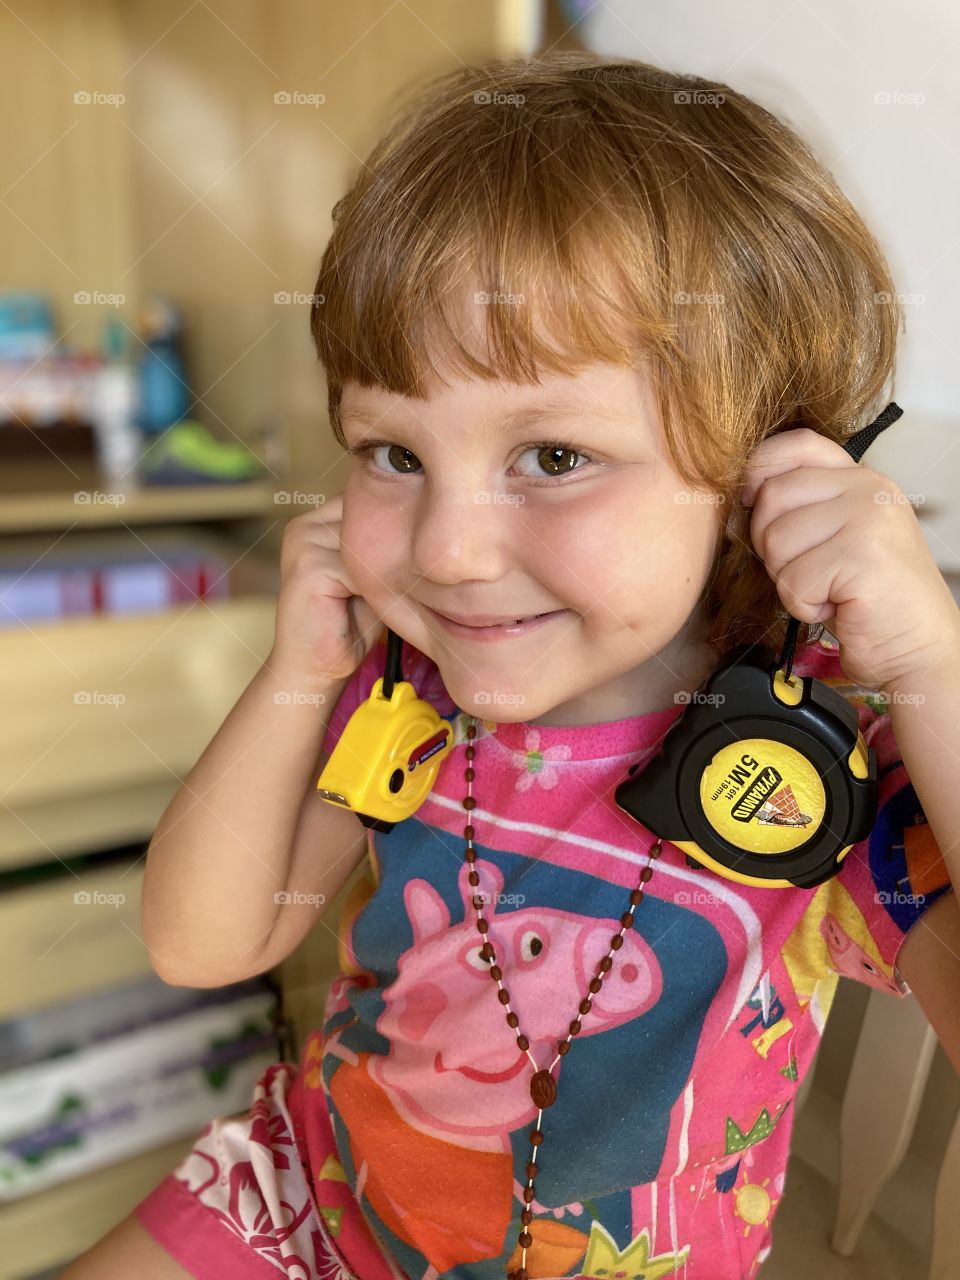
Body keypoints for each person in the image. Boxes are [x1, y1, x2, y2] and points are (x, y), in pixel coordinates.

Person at [59, 50, 960, 1280]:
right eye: (392, 450)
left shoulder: (823, 760)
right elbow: (202, 946)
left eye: (550, 456)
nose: (447, 550)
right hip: (310, 1185)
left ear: (771, 466)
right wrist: (293, 675)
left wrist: (933, 669)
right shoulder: (403, 689)